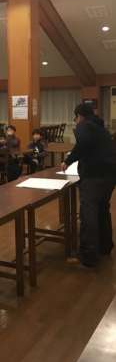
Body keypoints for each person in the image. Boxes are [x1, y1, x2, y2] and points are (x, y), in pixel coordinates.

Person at [62, 103, 116, 267]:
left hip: (94, 176)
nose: (76, 121)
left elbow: (82, 144)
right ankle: (105, 247)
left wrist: (68, 160)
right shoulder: (100, 127)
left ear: (80, 116)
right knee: (102, 210)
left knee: (88, 215)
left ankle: (88, 256)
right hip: (110, 175)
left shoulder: (84, 125)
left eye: (76, 117)